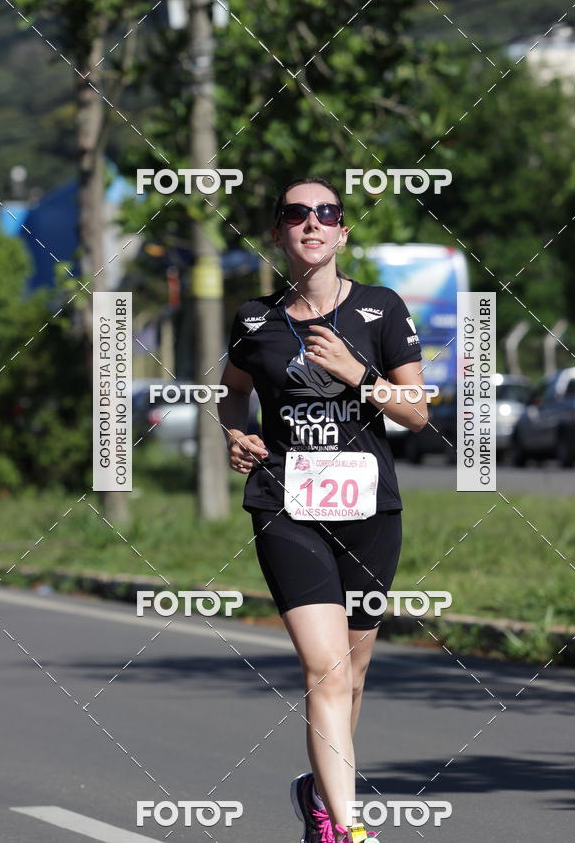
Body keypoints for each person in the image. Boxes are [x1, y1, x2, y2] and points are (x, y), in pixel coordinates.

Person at [218, 177, 428, 843]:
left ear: (342, 231)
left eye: (326, 213)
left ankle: (316, 789)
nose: (312, 223)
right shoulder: (254, 319)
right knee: (325, 668)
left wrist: (357, 376)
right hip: (287, 504)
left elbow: (418, 412)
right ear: (279, 233)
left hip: (368, 508)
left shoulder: (381, 310)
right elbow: (231, 394)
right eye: (295, 214)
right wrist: (236, 431)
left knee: (353, 674)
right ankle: (346, 827)